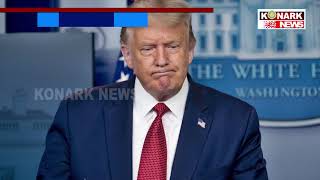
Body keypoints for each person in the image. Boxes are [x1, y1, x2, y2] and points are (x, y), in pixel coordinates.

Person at [37, 0, 268, 179]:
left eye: (173, 46)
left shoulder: (236, 121)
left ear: (190, 50)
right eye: (148, 49)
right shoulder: (77, 115)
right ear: (127, 55)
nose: (161, 60)